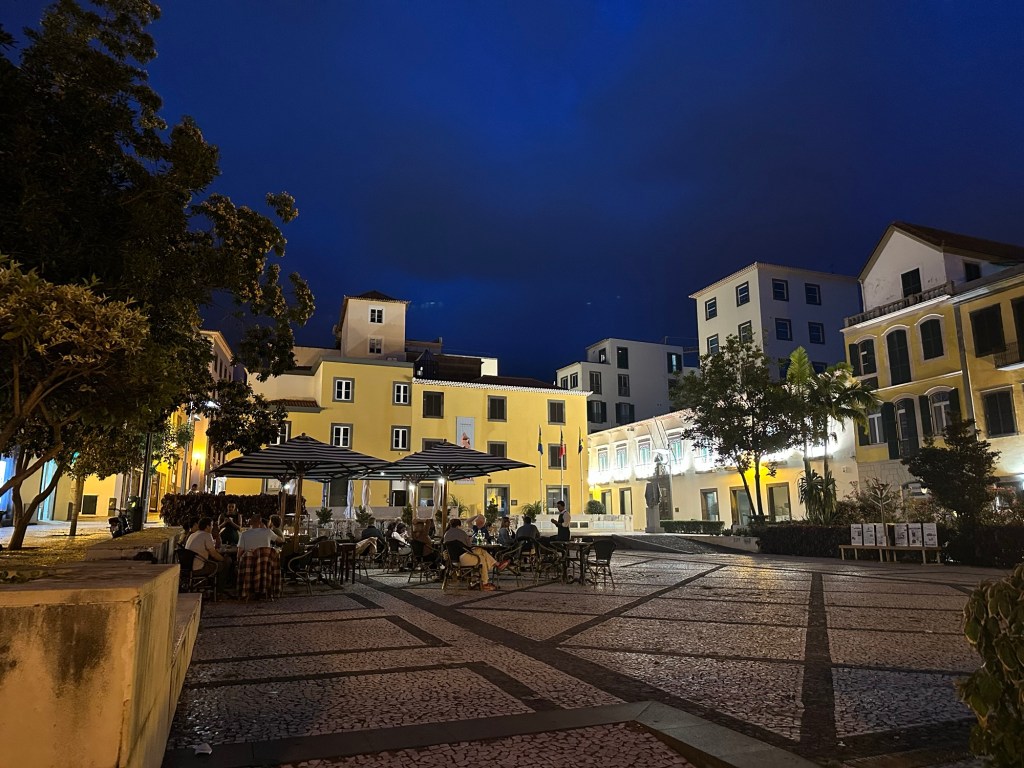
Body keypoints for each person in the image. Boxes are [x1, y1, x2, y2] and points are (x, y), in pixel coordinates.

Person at [442, 518, 508, 591]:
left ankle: (496, 565)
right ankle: (485, 583)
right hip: (462, 558)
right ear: (458, 526)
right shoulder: (461, 532)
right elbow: (469, 546)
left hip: (453, 559)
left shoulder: (446, 533)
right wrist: (470, 540)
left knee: (480, 550)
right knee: (481, 559)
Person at [185, 517, 230, 592]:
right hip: (199, 568)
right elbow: (213, 554)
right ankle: (219, 590)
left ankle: (210, 587)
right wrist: (223, 560)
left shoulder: (193, 535)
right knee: (225, 563)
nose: (212, 528)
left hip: (188, 567)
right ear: (207, 526)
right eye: (211, 525)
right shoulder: (206, 535)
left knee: (217, 562)